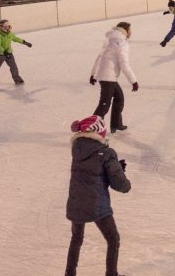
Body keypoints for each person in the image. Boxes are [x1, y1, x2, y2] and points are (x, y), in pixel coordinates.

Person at [64, 115, 131, 276]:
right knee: (113, 238)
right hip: (97, 204)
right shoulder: (106, 153)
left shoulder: (77, 150)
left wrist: (114, 168)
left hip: (76, 201)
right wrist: (122, 176)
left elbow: (93, 171)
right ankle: (111, 274)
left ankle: (69, 273)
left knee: (76, 238)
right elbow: (119, 183)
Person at [90, 22, 138, 131]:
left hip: (106, 75)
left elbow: (98, 58)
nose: (131, 32)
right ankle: (91, 129)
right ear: (125, 31)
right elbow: (124, 64)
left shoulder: (109, 41)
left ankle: (116, 124)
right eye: (130, 30)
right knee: (104, 105)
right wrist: (133, 81)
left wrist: (93, 74)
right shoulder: (121, 44)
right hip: (108, 77)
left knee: (119, 98)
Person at [0, 19, 30, 87]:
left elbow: (15, 38)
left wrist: (24, 42)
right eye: (6, 26)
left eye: (8, 26)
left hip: (9, 53)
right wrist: (5, 53)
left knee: (14, 67)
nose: (8, 27)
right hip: (0, 55)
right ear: (2, 27)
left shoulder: (10, 33)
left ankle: (17, 79)